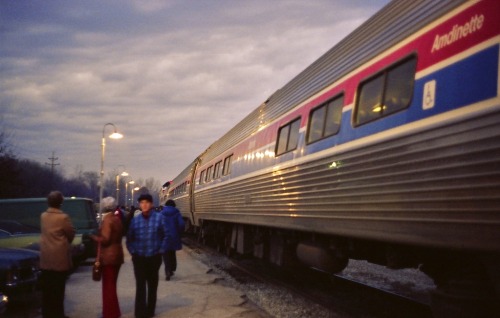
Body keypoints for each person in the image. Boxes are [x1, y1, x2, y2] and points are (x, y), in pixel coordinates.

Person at [126, 194, 170, 318]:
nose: (144, 205)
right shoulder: (135, 221)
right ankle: (140, 313)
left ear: (151, 204)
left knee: (152, 285)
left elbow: (166, 235)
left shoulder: (159, 218)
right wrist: (133, 252)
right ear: (139, 205)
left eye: (147, 202)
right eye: (142, 202)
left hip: (154, 257)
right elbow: (129, 238)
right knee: (140, 286)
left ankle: (150, 311)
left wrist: (161, 250)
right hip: (139, 258)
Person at [40, 191, 75, 318]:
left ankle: (47, 313)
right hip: (59, 258)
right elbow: (71, 233)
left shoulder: (43, 216)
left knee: (47, 289)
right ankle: (58, 314)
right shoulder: (63, 217)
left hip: (46, 257)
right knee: (59, 289)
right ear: (61, 202)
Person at [91, 197, 124, 318]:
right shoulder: (117, 219)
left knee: (108, 287)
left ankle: (110, 313)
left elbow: (105, 239)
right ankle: (114, 311)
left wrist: (93, 238)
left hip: (108, 257)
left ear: (105, 207)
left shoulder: (107, 220)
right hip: (117, 255)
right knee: (112, 285)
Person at [160, 199, 185, 280]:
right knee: (172, 252)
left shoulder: (161, 213)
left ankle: (167, 270)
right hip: (174, 236)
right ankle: (172, 269)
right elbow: (181, 224)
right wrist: (179, 232)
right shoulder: (176, 213)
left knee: (166, 254)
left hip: (164, 237)